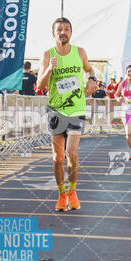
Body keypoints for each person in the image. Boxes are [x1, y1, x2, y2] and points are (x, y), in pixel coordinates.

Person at [37, 17, 97, 211]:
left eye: (67, 29)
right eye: (59, 29)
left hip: (76, 109)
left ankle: (72, 191)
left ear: (71, 32)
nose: (63, 32)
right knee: (57, 158)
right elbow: (40, 86)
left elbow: (89, 69)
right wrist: (49, 69)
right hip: (56, 110)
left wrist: (93, 79)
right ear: (53, 33)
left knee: (72, 153)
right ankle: (61, 194)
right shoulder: (47, 55)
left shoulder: (80, 52)